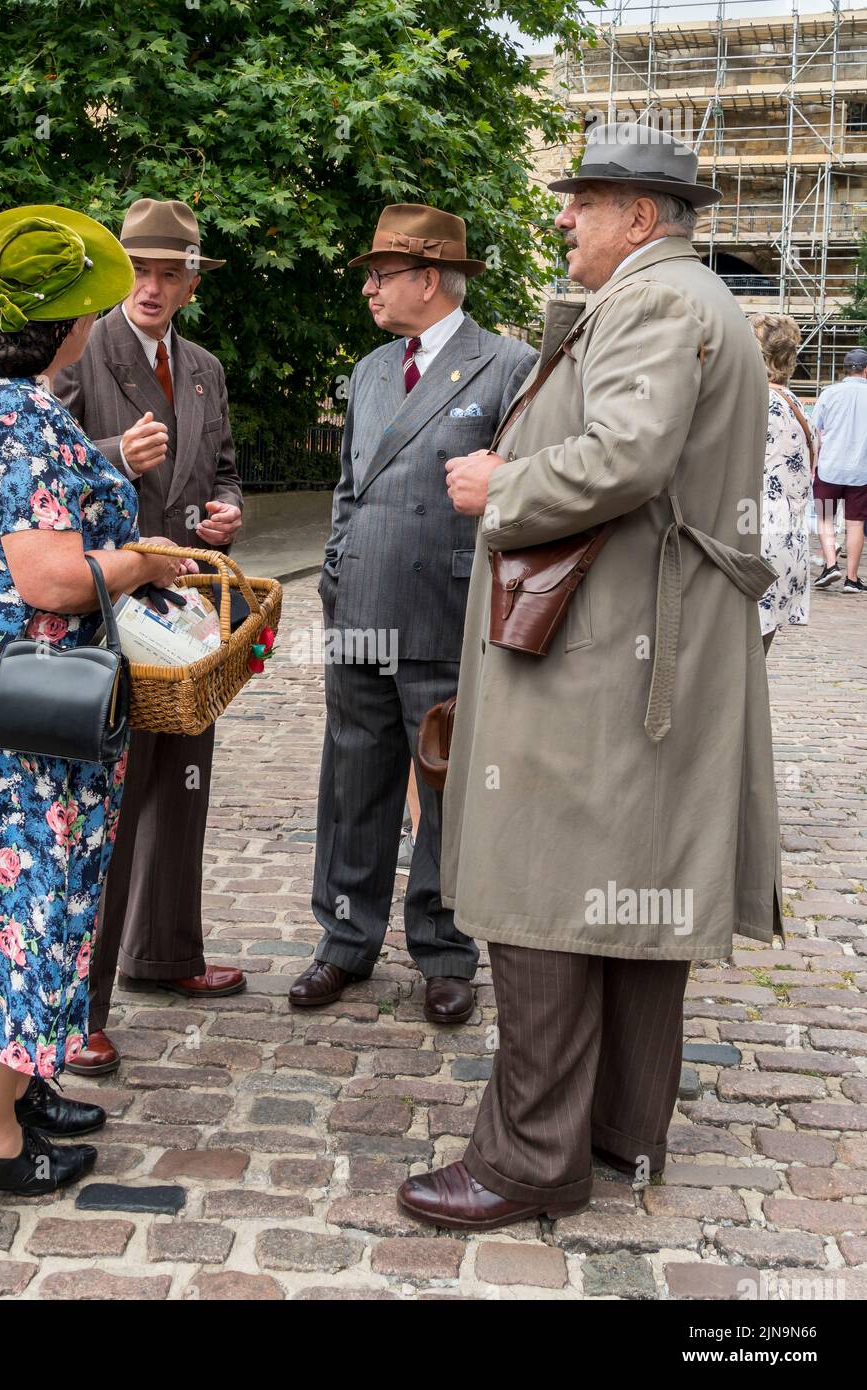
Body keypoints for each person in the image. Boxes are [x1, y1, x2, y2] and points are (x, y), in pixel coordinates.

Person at [397, 125, 782, 1229]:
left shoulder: (659, 302)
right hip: (636, 644)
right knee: (636, 889)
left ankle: (529, 1160)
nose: (564, 217)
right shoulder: (685, 299)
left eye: (586, 201)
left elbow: (626, 454)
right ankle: (620, 1132)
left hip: (605, 653)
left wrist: (501, 483)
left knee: (547, 890)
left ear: (642, 218)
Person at [0, 205, 196, 1214]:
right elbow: (54, 578)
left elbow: (20, 502)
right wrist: (142, 557)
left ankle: (24, 1086)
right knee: (14, 904)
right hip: (30, 700)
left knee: (17, 891)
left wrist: (101, 471)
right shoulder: (16, 412)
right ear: (60, 322)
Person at [290, 204, 537, 1024]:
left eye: (380, 274)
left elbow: (524, 489)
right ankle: (343, 941)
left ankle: (442, 949)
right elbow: (348, 490)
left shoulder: (506, 366)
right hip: (360, 605)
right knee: (351, 783)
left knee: (443, 786)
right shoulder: (367, 370)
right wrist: (332, 575)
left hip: (444, 608)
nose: (368, 287)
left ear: (428, 280)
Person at [56, 197, 245, 1078]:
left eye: (172, 271)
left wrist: (227, 512)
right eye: (140, 268)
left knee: (183, 785)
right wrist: (109, 454)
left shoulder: (203, 366)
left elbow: (226, 468)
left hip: (187, 617)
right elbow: (37, 460)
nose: (154, 285)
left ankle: (166, 955)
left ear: (193, 283)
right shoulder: (80, 347)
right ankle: (81, 1006)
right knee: (114, 806)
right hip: (105, 611)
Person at [748, 314, 812, 652]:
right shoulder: (794, 403)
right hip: (787, 546)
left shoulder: (759, 403)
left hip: (754, 543)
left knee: (738, 661)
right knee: (754, 660)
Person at [812, 346, 867, 594]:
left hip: (829, 467)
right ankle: (852, 579)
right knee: (855, 524)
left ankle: (831, 565)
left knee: (825, 518)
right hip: (861, 469)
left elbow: (817, 431)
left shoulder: (829, 393)